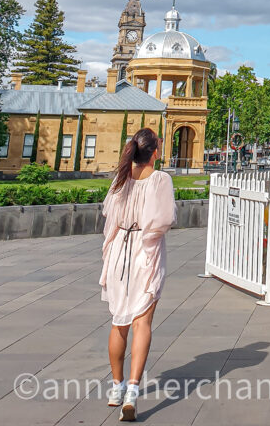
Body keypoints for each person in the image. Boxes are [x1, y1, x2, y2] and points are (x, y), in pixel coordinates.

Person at [99, 127, 177, 421]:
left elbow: (110, 217)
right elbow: (164, 220)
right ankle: (132, 391)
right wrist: (146, 240)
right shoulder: (160, 179)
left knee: (119, 320)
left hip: (120, 249)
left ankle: (116, 388)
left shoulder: (121, 178)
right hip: (146, 251)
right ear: (155, 151)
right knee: (142, 323)